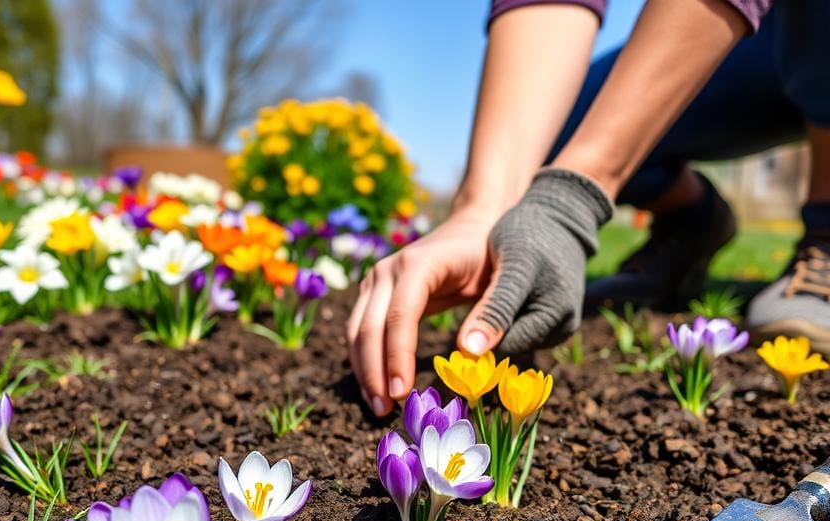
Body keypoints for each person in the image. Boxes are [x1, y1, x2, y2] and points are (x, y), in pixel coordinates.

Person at [346, 0, 830, 417]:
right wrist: (485, 206)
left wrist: (573, 197)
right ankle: (694, 220)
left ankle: (825, 233)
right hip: (763, 47)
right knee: (549, 136)